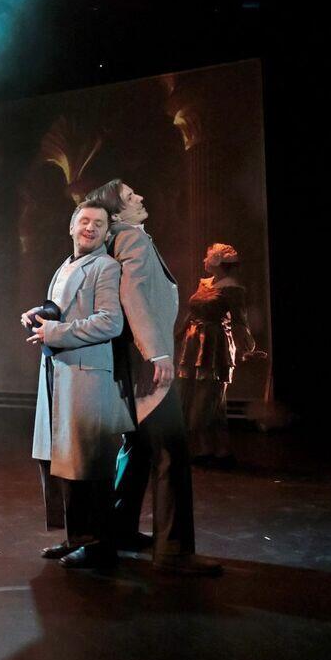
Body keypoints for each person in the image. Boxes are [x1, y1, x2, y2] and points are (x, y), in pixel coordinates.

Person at [85, 179, 223, 576]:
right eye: (130, 197)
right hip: (147, 364)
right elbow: (132, 293)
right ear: (117, 212)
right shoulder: (130, 238)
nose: (140, 197)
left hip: (132, 363)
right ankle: (174, 551)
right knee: (170, 453)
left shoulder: (116, 239)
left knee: (138, 447)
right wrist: (155, 351)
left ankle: (121, 530)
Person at [24, 201, 132, 569]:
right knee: (62, 461)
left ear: (106, 232)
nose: (90, 228)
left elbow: (110, 322)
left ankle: (99, 546)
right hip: (60, 371)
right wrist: (39, 316)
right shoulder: (65, 266)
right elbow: (65, 311)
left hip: (86, 375)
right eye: (84, 221)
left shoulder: (105, 266)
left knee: (87, 464)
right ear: (71, 227)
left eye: (98, 224)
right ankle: (77, 538)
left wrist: (55, 332)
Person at [178, 243, 264, 468]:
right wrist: (176, 336)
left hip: (214, 345)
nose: (205, 261)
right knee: (214, 405)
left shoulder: (232, 288)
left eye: (209, 258)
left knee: (206, 401)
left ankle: (213, 450)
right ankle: (215, 451)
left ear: (217, 263)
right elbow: (192, 313)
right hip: (195, 344)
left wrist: (246, 349)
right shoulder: (205, 283)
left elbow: (239, 321)